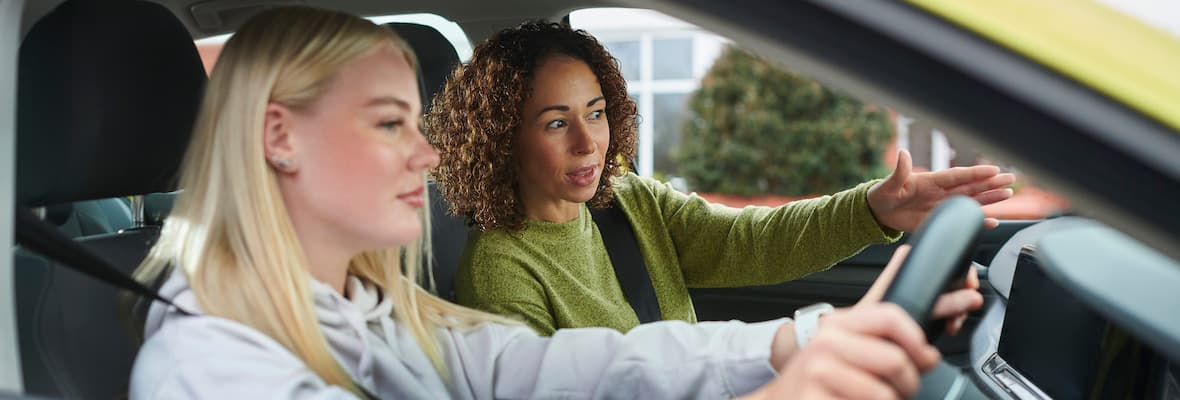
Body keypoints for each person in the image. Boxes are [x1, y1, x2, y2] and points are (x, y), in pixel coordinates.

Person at [128, 7, 984, 399]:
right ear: (279, 138)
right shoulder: (215, 374)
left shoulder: (378, 316)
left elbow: (593, 366)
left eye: (599, 115)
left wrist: (812, 339)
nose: (424, 155)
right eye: (390, 123)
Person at [427, 21, 1010, 335]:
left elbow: (747, 241)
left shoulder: (626, 201)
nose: (589, 143)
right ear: (501, 137)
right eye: (557, 123)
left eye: (597, 112)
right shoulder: (501, 271)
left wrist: (874, 209)